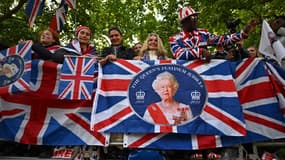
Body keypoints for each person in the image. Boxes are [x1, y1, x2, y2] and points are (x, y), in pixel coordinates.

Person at [168, 6, 257, 63]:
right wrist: (201, 52)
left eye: (196, 16)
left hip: (207, 75)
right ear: (183, 22)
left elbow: (223, 40)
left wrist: (244, 32)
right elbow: (179, 55)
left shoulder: (203, 33)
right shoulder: (174, 39)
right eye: (192, 17)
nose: (195, 19)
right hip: (188, 76)